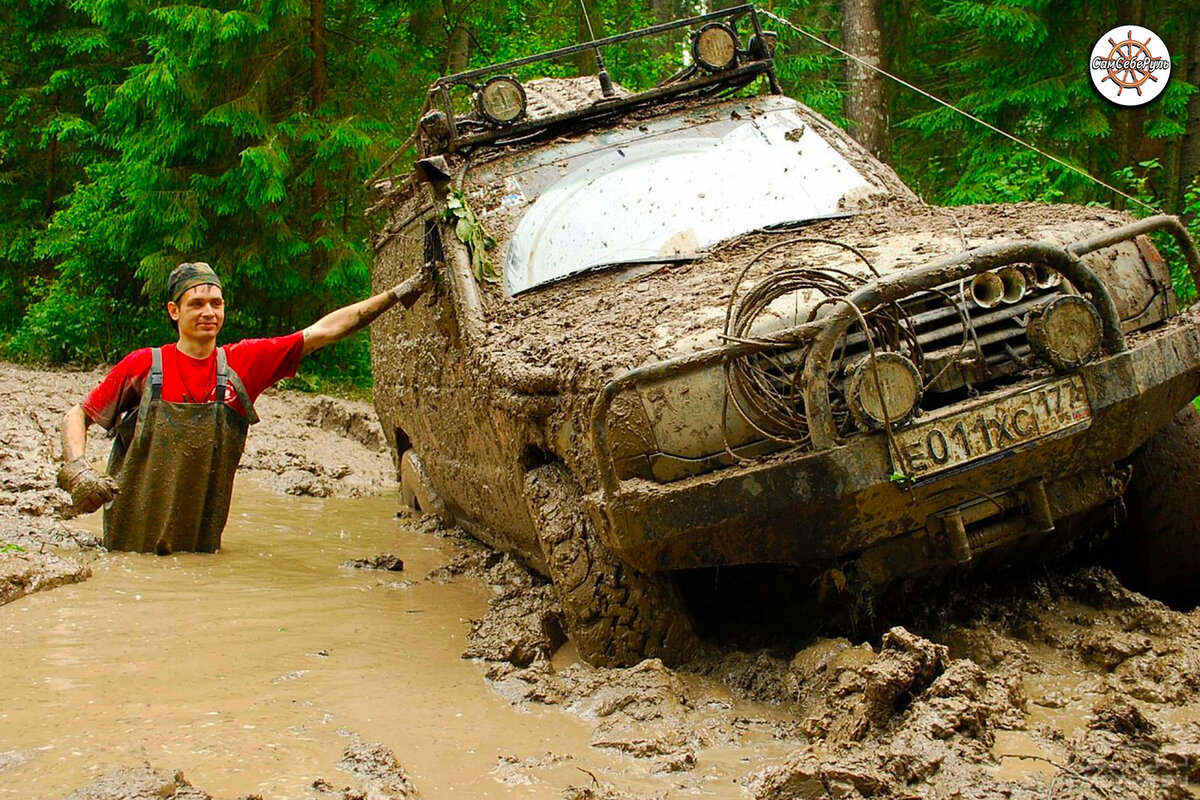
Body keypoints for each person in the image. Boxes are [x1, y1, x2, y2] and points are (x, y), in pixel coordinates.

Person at [57, 261, 429, 555]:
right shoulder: (142, 365)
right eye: (196, 304)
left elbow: (324, 331)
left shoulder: (243, 363)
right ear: (174, 311)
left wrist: (396, 294)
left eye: (216, 304)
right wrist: (77, 468)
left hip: (201, 542)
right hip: (129, 540)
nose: (208, 312)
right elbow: (78, 415)